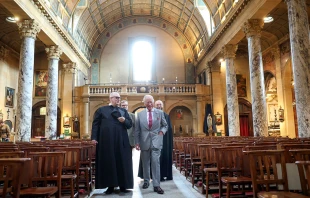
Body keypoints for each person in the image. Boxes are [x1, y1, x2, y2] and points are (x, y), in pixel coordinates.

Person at [91, 92, 133, 194]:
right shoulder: (101, 110)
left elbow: (129, 124)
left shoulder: (123, 111)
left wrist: (124, 121)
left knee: (122, 162)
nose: (118, 99)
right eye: (116, 98)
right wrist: (94, 138)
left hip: (121, 141)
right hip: (107, 141)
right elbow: (95, 125)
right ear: (110, 98)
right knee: (109, 162)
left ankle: (123, 186)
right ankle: (110, 186)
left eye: (119, 98)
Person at [135, 95, 168, 194]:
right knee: (145, 163)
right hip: (144, 141)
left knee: (155, 163)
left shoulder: (160, 113)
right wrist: (137, 142)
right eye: (147, 102)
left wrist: (162, 131)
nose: (149, 104)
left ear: (153, 102)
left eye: (151, 102)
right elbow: (137, 130)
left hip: (156, 141)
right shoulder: (140, 115)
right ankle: (146, 181)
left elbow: (165, 125)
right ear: (144, 103)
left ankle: (156, 185)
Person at [155, 100, 173, 181]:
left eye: (160, 104)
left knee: (165, 156)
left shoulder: (166, 115)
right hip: (155, 139)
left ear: (162, 106)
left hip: (165, 140)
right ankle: (157, 176)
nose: (159, 106)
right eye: (157, 104)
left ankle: (165, 174)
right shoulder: (152, 115)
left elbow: (169, 128)